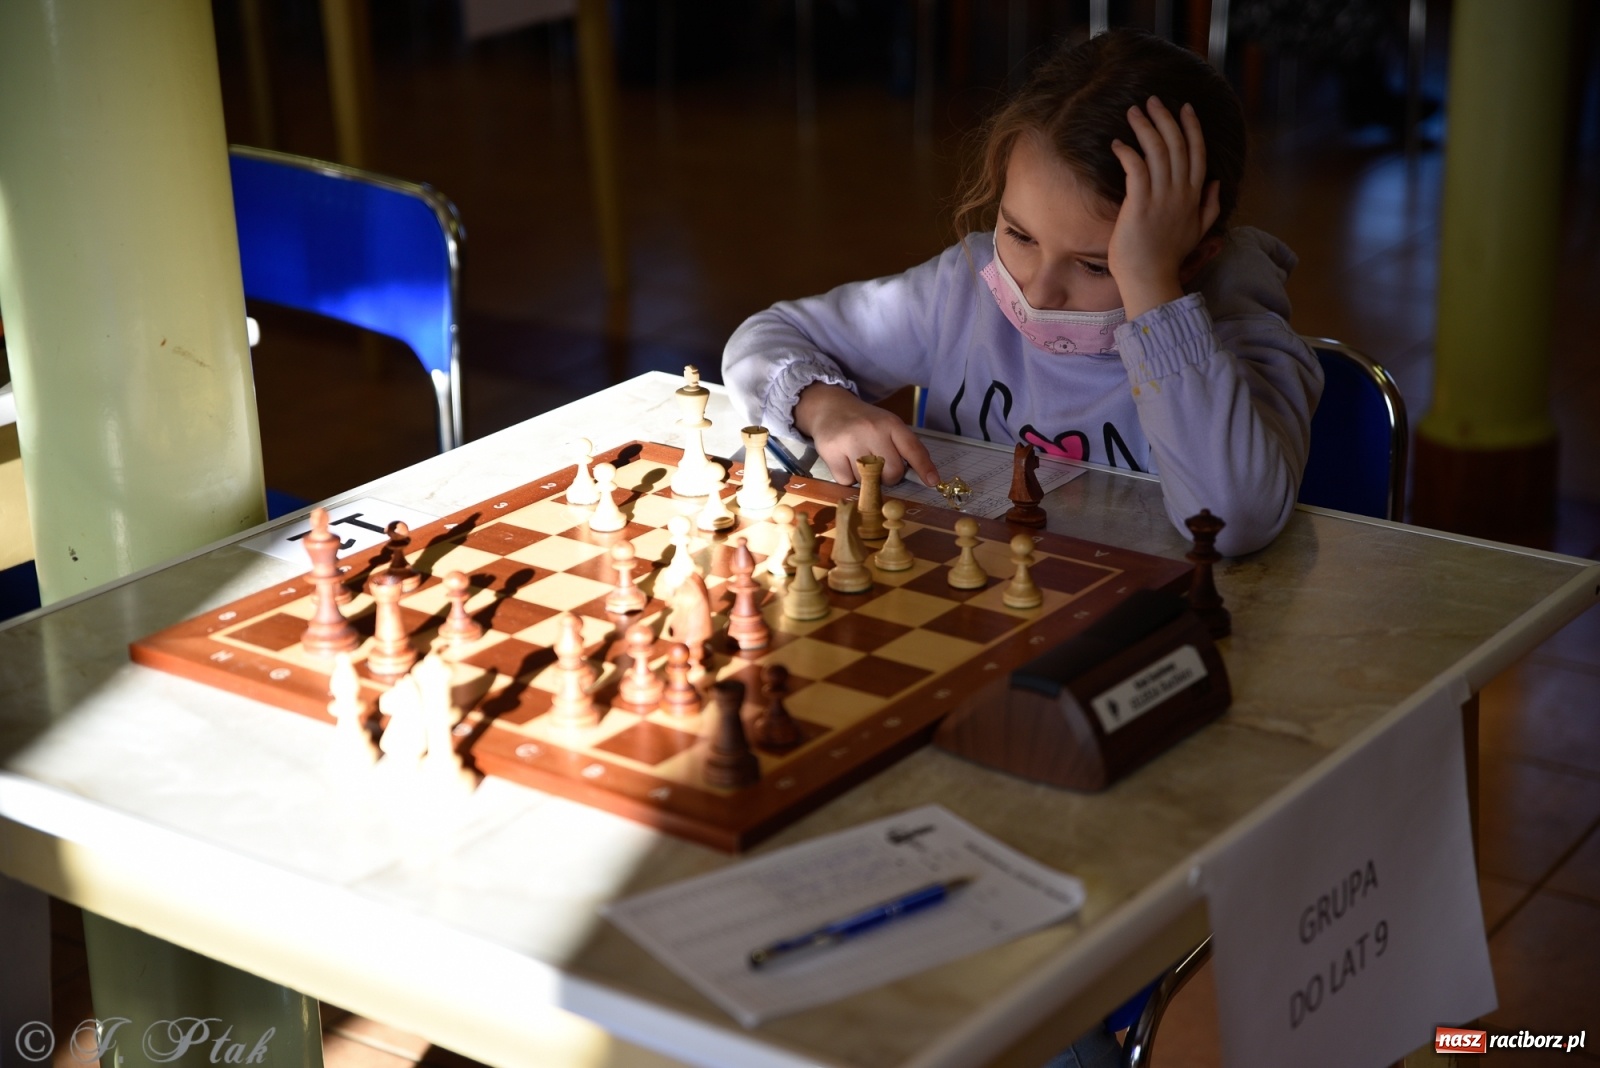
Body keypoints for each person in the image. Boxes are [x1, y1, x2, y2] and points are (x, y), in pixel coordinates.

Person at [722, 29, 1323, 557]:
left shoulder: (1239, 337)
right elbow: (764, 338)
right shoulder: (962, 289)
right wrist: (827, 406)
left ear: (1194, 258)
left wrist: (1151, 292)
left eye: (1096, 265)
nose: (1038, 289)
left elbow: (1229, 525)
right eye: (1018, 234)